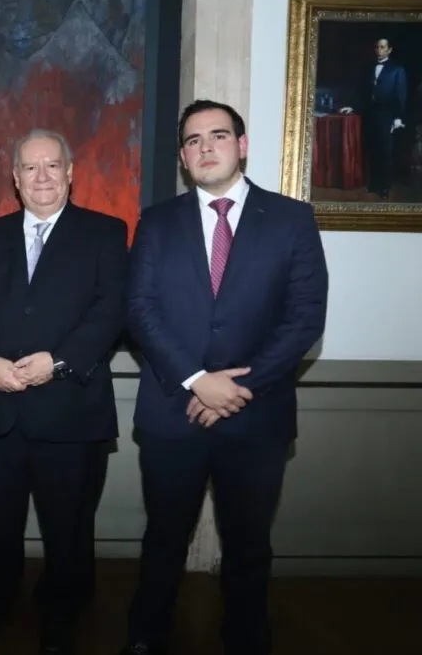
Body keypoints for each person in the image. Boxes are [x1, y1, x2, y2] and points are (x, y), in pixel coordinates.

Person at [119, 99, 328, 655]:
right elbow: (139, 311)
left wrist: (236, 388)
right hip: (172, 413)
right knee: (163, 539)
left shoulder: (291, 219)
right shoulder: (156, 222)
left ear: (242, 145)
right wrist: (196, 379)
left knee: (248, 546)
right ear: (183, 157)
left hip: (255, 416)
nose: (205, 147)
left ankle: (246, 638)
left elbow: (305, 318)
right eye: (193, 140)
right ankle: (146, 637)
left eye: (217, 135)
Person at [0, 128, 129, 654]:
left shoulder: (105, 233)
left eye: (52, 165)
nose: (42, 176)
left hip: (71, 408)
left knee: (68, 526)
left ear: (70, 173)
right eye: (30, 167)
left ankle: (62, 613)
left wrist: (57, 362)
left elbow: (111, 311)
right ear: (15, 178)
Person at [339, 37, 408, 199]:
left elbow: (401, 96)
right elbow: (362, 93)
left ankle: (384, 187)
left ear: (389, 50)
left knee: (385, 153)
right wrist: (353, 107)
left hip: (386, 116)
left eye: (383, 47)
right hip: (369, 115)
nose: (379, 50)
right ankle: (374, 184)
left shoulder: (397, 70)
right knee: (371, 151)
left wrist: (397, 118)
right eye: (377, 47)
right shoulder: (369, 68)